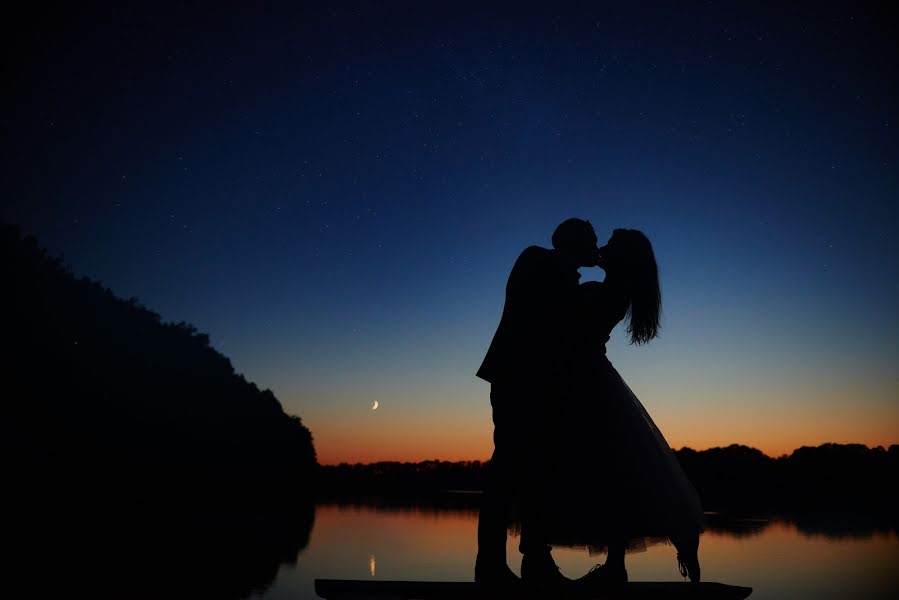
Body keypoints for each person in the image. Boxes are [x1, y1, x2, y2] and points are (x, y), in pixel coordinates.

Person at [546, 228, 704, 586]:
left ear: (622, 257)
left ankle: (618, 565)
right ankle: (618, 564)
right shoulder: (614, 290)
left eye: (610, 245)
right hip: (583, 376)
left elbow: (572, 325)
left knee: (611, 470)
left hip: (584, 379)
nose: (602, 248)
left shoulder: (611, 292)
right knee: (612, 470)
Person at [474, 218, 600, 587]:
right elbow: (552, 315)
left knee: (539, 472)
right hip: (517, 378)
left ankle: (536, 561)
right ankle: (490, 567)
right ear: (571, 242)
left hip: (545, 384)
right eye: (590, 240)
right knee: (508, 469)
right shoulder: (537, 260)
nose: (595, 246)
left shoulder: (566, 276)